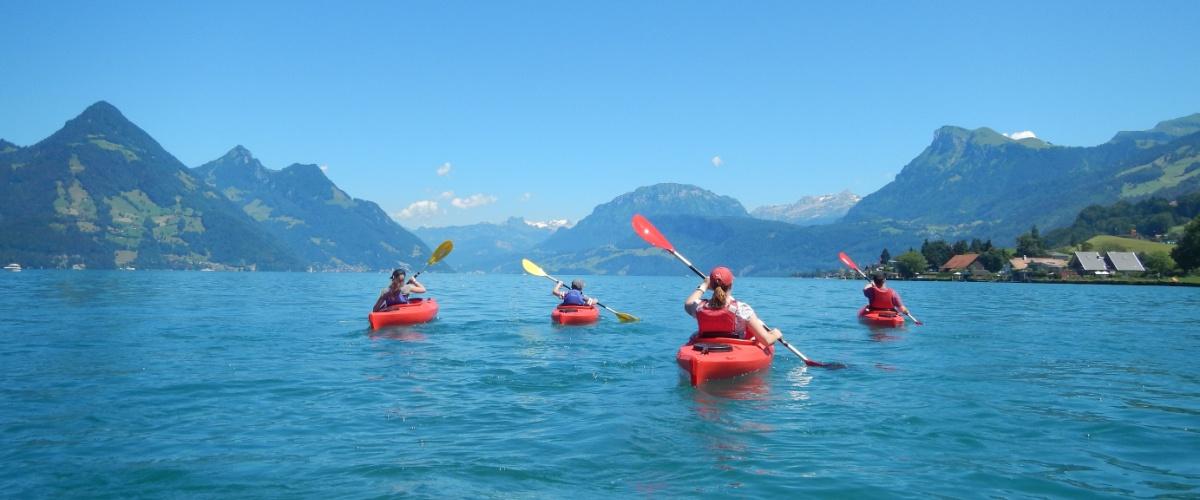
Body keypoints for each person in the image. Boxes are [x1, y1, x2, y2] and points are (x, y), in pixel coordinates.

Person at [684, 266, 781, 345]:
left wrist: (704, 285)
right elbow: (767, 341)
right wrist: (776, 334)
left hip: (707, 346)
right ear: (731, 283)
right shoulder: (742, 309)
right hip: (736, 349)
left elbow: (688, 303)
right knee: (753, 332)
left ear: (711, 286)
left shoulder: (699, 307)